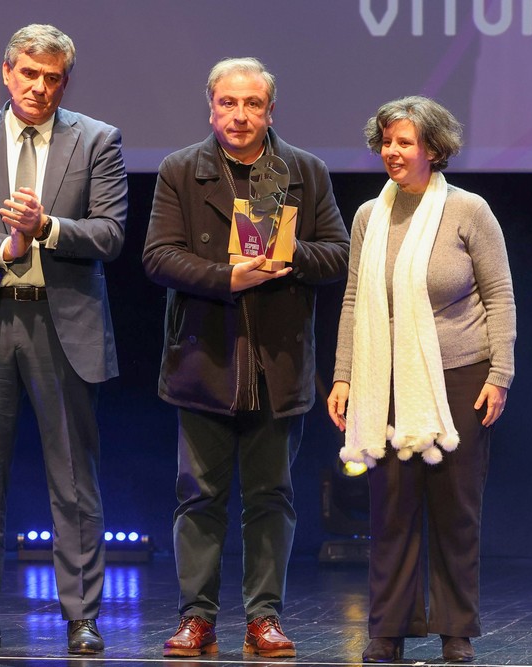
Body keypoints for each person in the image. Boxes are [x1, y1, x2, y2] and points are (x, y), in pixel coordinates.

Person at [0, 24, 128, 655]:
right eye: (29, 74)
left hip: (62, 322)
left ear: (64, 81)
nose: (40, 88)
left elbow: (110, 234)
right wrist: (4, 246)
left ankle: (81, 616)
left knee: (74, 482)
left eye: (53, 78)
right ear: (7, 72)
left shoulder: (97, 139)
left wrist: (46, 229)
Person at [143, 57, 350, 659]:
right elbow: (158, 257)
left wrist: (292, 256)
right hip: (204, 356)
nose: (240, 115)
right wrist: (224, 277)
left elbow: (337, 254)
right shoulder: (182, 170)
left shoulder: (303, 172)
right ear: (211, 107)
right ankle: (196, 618)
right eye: (229, 104)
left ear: (270, 110)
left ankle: (264, 618)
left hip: (278, 361)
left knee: (271, 497)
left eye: (253, 104)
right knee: (199, 496)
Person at [327, 96, 515, 664]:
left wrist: (500, 372)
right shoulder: (369, 216)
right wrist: (344, 376)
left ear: (433, 149)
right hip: (385, 378)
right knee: (392, 509)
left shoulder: (469, 211)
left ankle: (455, 628)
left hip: (460, 375)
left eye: (404, 142)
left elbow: (499, 295)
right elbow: (356, 297)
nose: (392, 151)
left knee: (455, 508)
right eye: (386, 141)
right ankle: (388, 627)